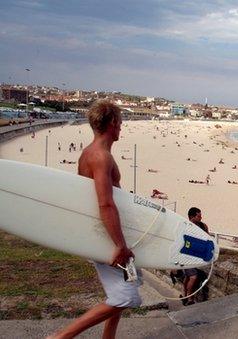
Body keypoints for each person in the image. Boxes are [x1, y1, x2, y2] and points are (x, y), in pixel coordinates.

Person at [49, 101, 140, 339]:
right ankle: (59, 337)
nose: (121, 127)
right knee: (126, 297)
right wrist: (120, 245)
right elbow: (105, 203)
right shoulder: (100, 156)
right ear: (112, 123)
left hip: (105, 232)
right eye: (120, 122)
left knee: (125, 289)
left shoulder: (91, 153)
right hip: (106, 236)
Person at [181, 207, 210, 305]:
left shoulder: (203, 226)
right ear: (191, 217)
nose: (201, 217)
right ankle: (189, 298)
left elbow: (208, 239)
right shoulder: (185, 226)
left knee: (188, 276)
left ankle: (184, 295)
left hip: (197, 255)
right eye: (198, 216)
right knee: (193, 276)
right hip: (186, 255)